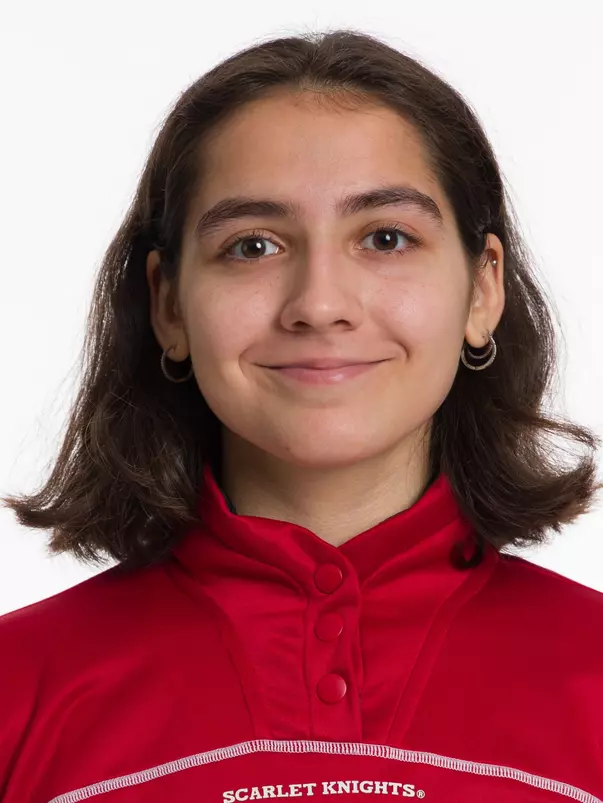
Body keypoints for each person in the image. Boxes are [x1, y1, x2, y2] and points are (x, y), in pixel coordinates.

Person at [1, 28, 602, 803]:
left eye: (385, 238)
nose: (318, 304)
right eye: (253, 246)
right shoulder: (18, 687)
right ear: (168, 304)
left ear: (482, 290)